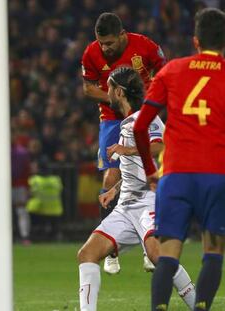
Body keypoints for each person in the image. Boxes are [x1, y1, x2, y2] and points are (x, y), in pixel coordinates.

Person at [77, 67, 195, 311]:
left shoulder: (147, 117)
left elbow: (159, 147)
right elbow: (136, 168)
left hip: (149, 201)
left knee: (157, 256)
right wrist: (115, 189)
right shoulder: (127, 123)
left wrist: (126, 150)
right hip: (125, 207)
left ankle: (197, 304)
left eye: (109, 87)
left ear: (119, 92)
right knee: (87, 254)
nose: (106, 92)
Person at [133, 8, 225, 311]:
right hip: (217, 177)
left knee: (168, 254)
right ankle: (201, 307)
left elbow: (140, 125)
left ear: (195, 40)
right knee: (213, 251)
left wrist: (150, 169)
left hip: (176, 177)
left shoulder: (172, 70)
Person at [81, 12, 166, 273]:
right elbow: (88, 89)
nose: (104, 48)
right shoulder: (91, 53)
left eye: (109, 43)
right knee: (111, 177)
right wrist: (118, 98)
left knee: (149, 170)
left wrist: (143, 99)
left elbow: (163, 71)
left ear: (122, 35)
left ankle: (148, 241)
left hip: (144, 113)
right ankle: (111, 251)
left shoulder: (145, 46)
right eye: (101, 43)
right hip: (111, 119)